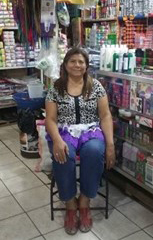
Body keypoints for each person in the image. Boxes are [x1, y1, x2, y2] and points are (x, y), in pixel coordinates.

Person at [45, 47, 115, 235]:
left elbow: (106, 115)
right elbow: (50, 119)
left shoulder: (96, 86)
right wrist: (57, 140)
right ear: (66, 65)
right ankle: (70, 205)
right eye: (73, 61)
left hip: (91, 131)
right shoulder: (56, 88)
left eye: (81, 62)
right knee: (63, 154)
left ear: (86, 65)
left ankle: (84, 202)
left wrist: (110, 144)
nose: (77, 65)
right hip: (63, 131)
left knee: (93, 152)